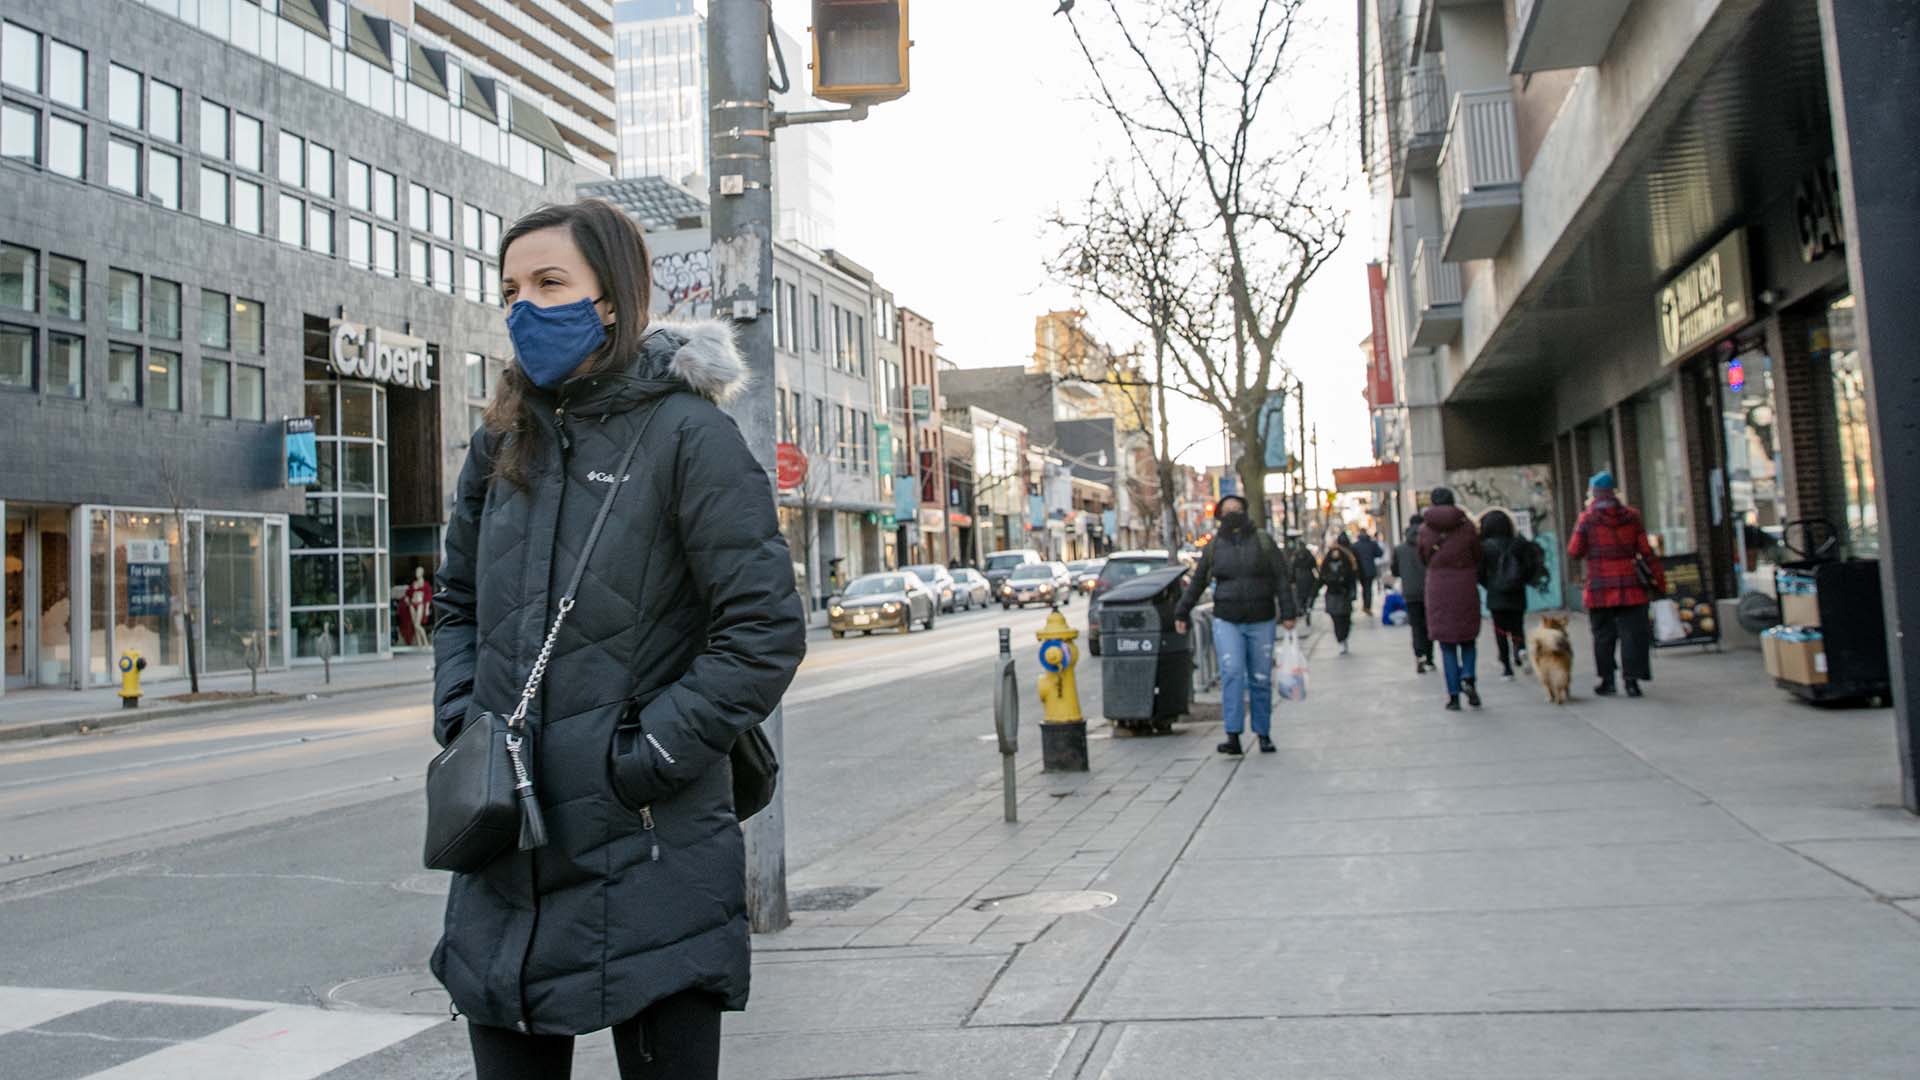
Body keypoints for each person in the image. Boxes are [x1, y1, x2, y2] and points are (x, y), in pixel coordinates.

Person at [432, 199, 807, 1080]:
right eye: (511, 290)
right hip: (509, 843)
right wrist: (462, 719)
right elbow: (456, 602)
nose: (525, 307)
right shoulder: (500, 444)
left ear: (612, 298)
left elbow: (762, 629)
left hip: (651, 848)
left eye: (550, 283)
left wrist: (644, 757)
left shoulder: (689, 436)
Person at [1174, 495, 1300, 756]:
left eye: (1237, 509)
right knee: (1231, 674)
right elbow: (1198, 581)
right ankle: (1233, 734)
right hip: (1227, 618)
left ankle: (1263, 733)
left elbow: (1280, 578)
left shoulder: (1263, 541)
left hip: (1261, 617)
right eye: (1228, 510)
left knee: (1260, 677)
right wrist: (1182, 612)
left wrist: (1289, 612)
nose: (1233, 513)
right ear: (1220, 515)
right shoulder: (1214, 547)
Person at [1567, 471, 1666, 697]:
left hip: (1599, 585)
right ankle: (1632, 682)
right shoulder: (1632, 516)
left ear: (1593, 493)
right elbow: (1646, 551)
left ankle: (1607, 680)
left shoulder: (1587, 518)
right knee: (1633, 634)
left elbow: (1574, 551)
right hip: (1631, 584)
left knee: (1603, 635)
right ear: (1614, 492)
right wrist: (1660, 582)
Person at [1419, 488, 1484, 711]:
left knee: (1446, 646)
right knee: (1468, 639)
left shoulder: (1425, 530)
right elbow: (1478, 554)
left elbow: (1422, 557)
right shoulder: (1467, 527)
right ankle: (1468, 676)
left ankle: (1454, 696)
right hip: (1465, 587)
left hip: (1438, 589)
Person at [1477, 509, 1535, 681]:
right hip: (1517, 592)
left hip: (1496, 595)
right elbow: (1530, 567)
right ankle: (1520, 650)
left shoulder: (1485, 547)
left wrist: (1490, 585)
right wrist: (1521, 581)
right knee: (1517, 626)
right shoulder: (1519, 543)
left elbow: (1479, 573)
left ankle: (1507, 668)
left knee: (1500, 631)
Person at [1391, 515, 1433, 674]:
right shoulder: (1430, 545)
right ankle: (1430, 658)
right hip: (1429, 589)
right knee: (1429, 624)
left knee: (1416, 626)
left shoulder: (1400, 549)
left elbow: (1395, 571)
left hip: (1410, 592)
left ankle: (1419, 655)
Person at [1318, 533, 1361, 656]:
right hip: (1336, 593)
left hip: (1341, 593)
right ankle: (1341, 638)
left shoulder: (1347, 557)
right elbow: (1322, 577)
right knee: (1339, 618)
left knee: (1343, 618)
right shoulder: (1345, 556)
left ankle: (1342, 637)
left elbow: (1352, 575)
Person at [1283, 532, 1321, 628]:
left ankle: (1303, 608)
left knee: (1300, 596)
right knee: (1309, 595)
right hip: (1308, 576)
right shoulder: (1309, 554)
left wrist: (1292, 580)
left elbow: (1292, 568)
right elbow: (1314, 566)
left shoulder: (1296, 555)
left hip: (1299, 577)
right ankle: (1308, 608)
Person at [1352, 529, 1385, 617]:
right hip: (1370, 569)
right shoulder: (1372, 544)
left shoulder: (1355, 545)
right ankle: (1367, 606)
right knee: (1368, 588)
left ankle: (1366, 606)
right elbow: (1380, 553)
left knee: (1364, 588)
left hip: (1360, 571)